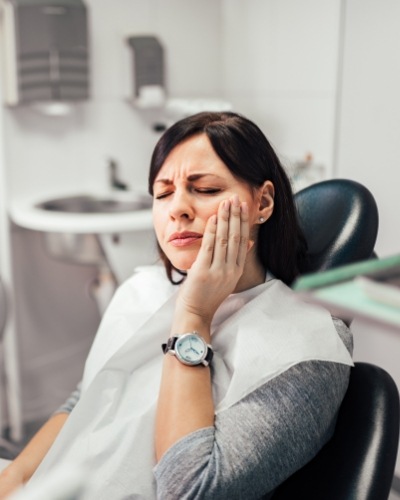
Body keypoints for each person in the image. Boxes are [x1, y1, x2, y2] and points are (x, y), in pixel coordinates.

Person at [0, 111, 353, 499]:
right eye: (163, 193)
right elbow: (88, 398)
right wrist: (13, 480)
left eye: (205, 189)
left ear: (262, 202)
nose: (177, 209)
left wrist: (194, 316)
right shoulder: (141, 291)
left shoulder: (309, 346)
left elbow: (190, 489)